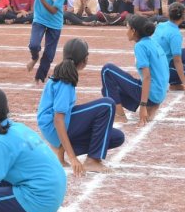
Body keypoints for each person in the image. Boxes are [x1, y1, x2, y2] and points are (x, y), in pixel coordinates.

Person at [37, 38, 124, 175]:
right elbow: (58, 119)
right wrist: (73, 158)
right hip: (53, 128)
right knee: (107, 105)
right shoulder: (65, 82)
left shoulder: (65, 74)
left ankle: (60, 151)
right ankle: (92, 160)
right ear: (85, 59)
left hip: (53, 128)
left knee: (116, 137)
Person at [100, 15, 169, 126]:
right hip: (159, 94)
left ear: (133, 31)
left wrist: (143, 106)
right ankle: (151, 107)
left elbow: (147, 77)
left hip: (152, 94)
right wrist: (157, 102)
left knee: (107, 70)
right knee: (107, 90)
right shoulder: (153, 42)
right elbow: (163, 69)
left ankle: (120, 116)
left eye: (127, 28)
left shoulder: (140, 46)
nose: (126, 32)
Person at [26, 0, 70, 85]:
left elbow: (54, 11)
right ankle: (35, 57)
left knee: (49, 53)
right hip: (39, 19)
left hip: (54, 23)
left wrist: (42, 0)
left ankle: (39, 77)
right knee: (34, 45)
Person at [152, 2, 185, 91]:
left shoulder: (160, 25)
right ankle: (165, 81)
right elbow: (177, 60)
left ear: (168, 14)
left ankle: (174, 83)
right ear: (183, 17)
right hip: (162, 67)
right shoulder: (175, 33)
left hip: (154, 63)